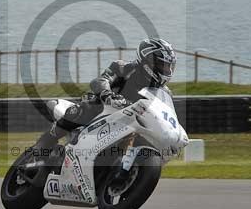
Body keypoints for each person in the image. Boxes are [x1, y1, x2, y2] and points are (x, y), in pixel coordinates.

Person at [34, 38, 177, 155]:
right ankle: (42, 146)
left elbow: (166, 115)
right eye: (163, 65)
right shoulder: (123, 68)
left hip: (128, 124)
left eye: (169, 66)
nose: (167, 70)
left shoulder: (164, 93)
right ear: (148, 61)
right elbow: (100, 80)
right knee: (83, 109)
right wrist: (107, 94)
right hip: (103, 110)